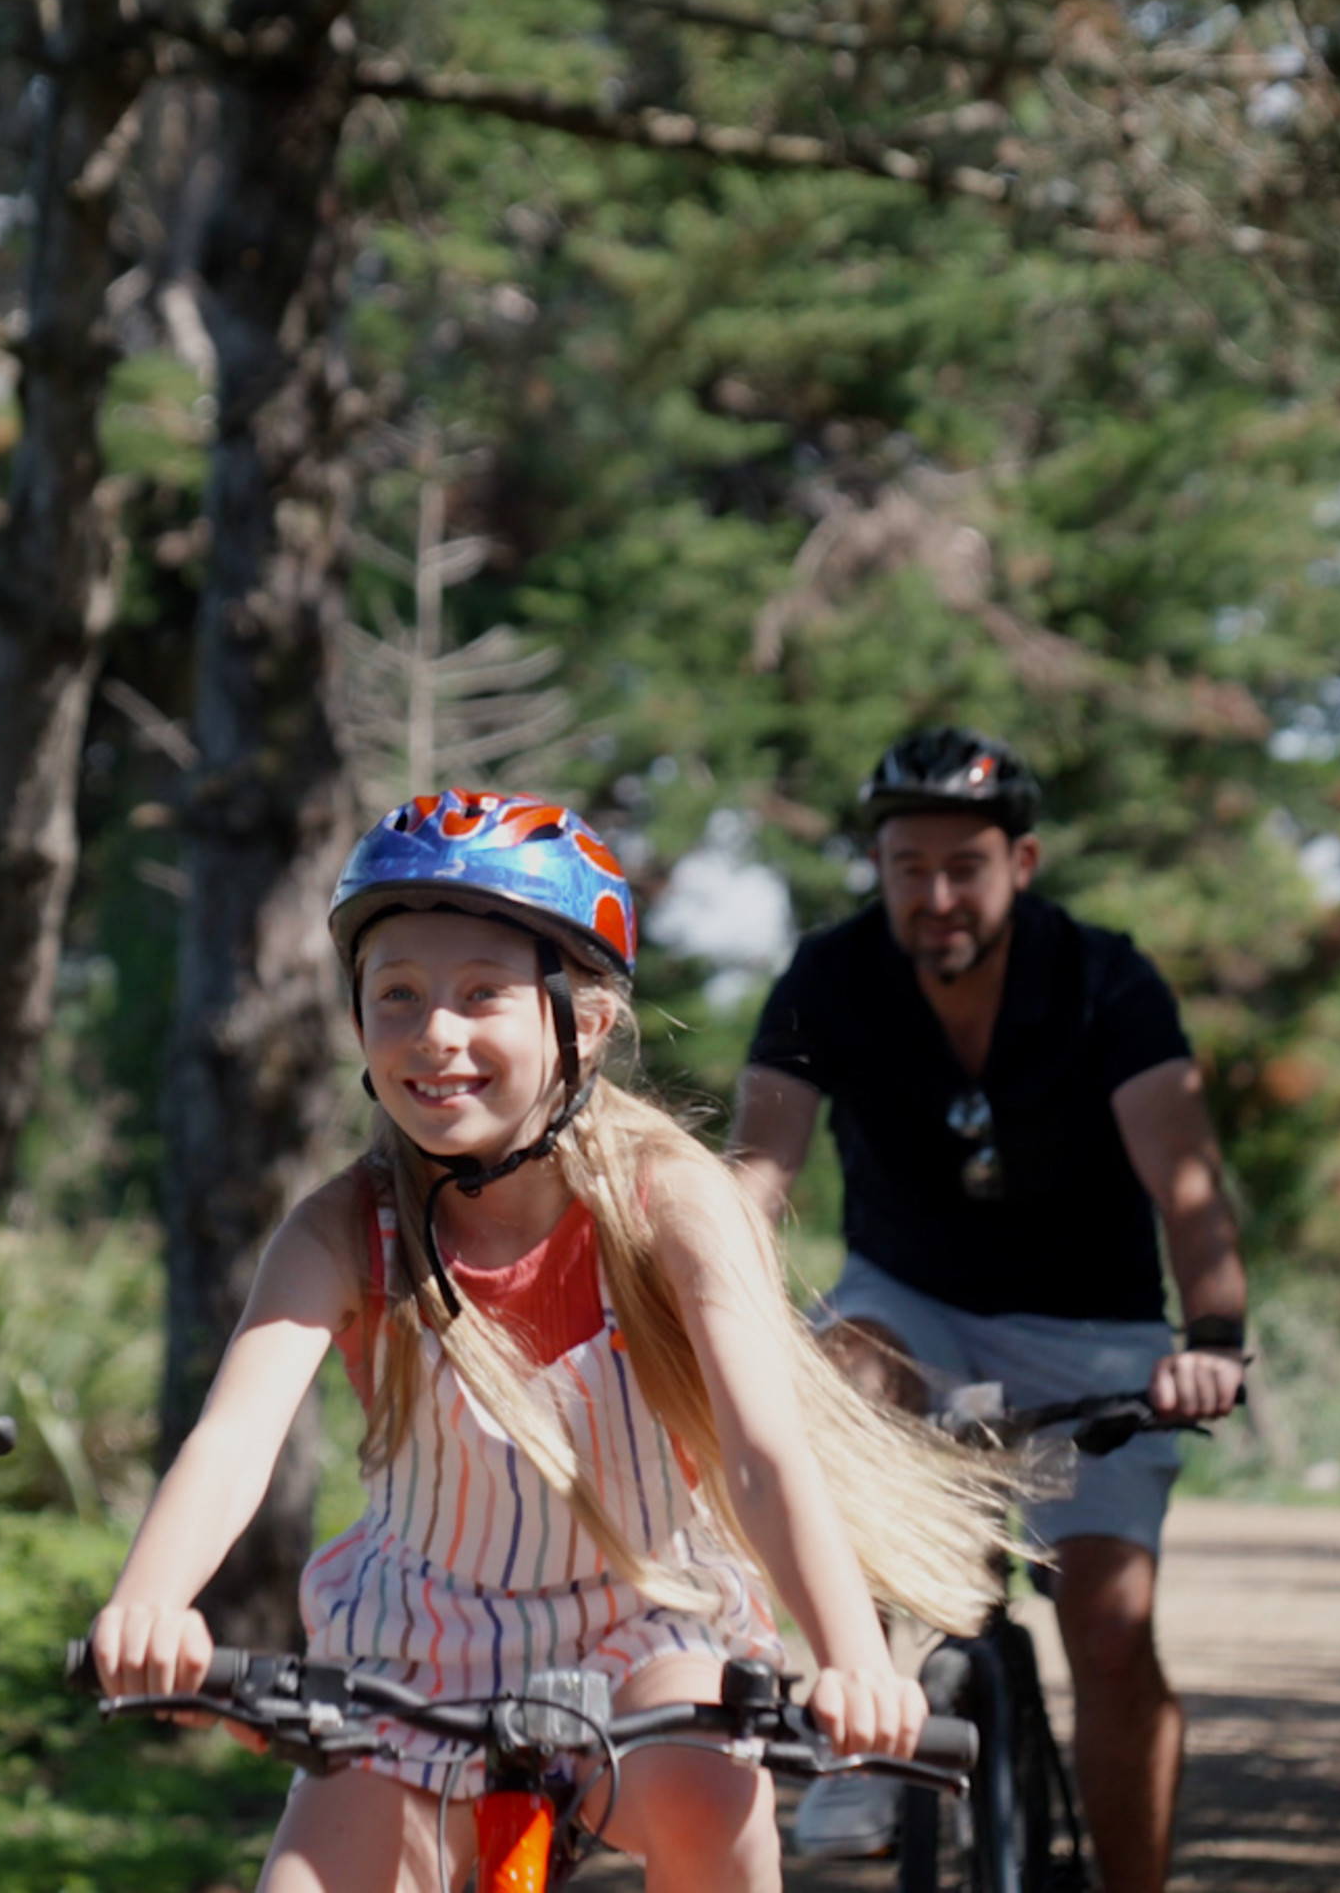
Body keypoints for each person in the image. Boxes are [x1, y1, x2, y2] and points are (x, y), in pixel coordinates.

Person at [84, 790, 1022, 1893]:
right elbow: (234, 1436)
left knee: (708, 1795)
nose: (435, 1031)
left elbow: (764, 1458)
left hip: (643, 1625)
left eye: (482, 993)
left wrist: (856, 1661)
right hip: (409, 1646)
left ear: (582, 1022)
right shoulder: (344, 1227)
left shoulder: (669, 1202)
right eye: (397, 995)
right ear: (356, 1022)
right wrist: (150, 1595)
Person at [730, 725, 1252, 1890]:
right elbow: (758, 1169)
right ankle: (855, 1723)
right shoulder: (829, 972)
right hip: (911, 1301)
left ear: (1021, 861)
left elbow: (1185, 1175)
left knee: (1109, 1634)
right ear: (879, 867)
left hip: (1094, 1324)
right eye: (907, 866)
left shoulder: (1104, 978)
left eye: (963, 865)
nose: (935, 894)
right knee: (844, 1368)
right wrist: (701, 1297)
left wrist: (1210, 1337)